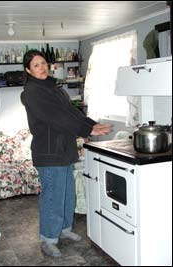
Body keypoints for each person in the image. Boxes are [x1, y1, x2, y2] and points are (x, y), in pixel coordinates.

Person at [21, 49, 113, 257]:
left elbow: (71, 112)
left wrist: (91, 124)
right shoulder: (31, 92)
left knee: (66, 193)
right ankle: (48, 237)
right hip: (49, 152)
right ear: (28, 70)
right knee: (53, 195)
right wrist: (87, 130)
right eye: (36, 65)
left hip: (65, 149)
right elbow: (56, 117)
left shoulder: (54, 88)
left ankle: (64, 230)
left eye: (43, 63)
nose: (42, 67)